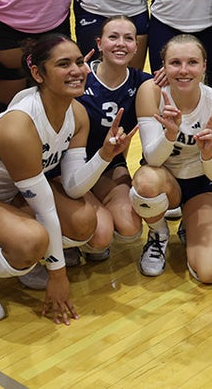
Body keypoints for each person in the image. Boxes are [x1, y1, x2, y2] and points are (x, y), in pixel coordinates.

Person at [0, 35, 135, 324]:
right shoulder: (20, 126)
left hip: (10, 196)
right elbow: (45, 209)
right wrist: (58, 275)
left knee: (84, 222)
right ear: (38, 74)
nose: (77, 70)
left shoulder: (76, 113)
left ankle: (22, 258)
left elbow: (73, 186)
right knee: (32, 240)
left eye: (79, 62)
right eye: (63, 64)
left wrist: (104, 154)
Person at [131, 34, 212, 282]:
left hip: (202, 182)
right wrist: (170, 134)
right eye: (175, 63)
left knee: (209, 273)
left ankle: (190, 218)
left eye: (192, 63)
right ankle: (157, 233)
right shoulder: (151, 92)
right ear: (163, 66)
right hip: (163, 179)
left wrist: (208, 155)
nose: (184, 70)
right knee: (145, 182)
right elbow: (152, 158)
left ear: (204, 66)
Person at [75, 16, 153, 263]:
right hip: (70, 168)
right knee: (100, 235)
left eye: (128, 38)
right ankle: (69, 234)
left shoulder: (144, 82)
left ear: (136, 47)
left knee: (130, 228)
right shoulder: (80, 78)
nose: (121, 44)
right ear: (99, 43)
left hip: (109, 166)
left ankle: (93, 217)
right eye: (113, 37)